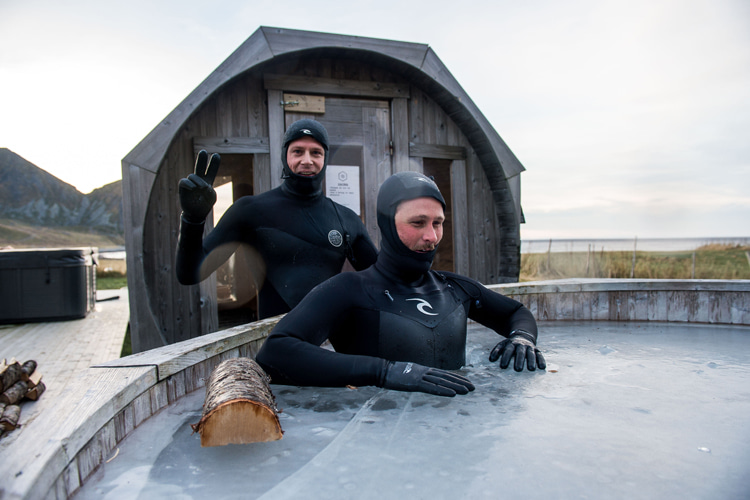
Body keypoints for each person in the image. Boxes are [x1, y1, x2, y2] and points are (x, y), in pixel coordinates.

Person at [256, 171, 546, 397]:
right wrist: (385, 372)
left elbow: (515, 313)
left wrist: (522, 338)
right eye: (418, 223)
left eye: (438, 222)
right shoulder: (350, 290)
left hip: (454, 432)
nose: (431, 236)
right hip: (377, 443)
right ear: (387, 225)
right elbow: (276, 354)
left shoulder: (456, 289)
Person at [175, 119, 378, 319]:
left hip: (328, 343)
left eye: (316, 152)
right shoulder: (250, 210)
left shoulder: (345, 219)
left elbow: (383, 280)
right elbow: (190, 274)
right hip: (275, 342)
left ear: (325, 159)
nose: (307, 160)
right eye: (298, 151)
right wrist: (193, 220)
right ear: (285, 156)